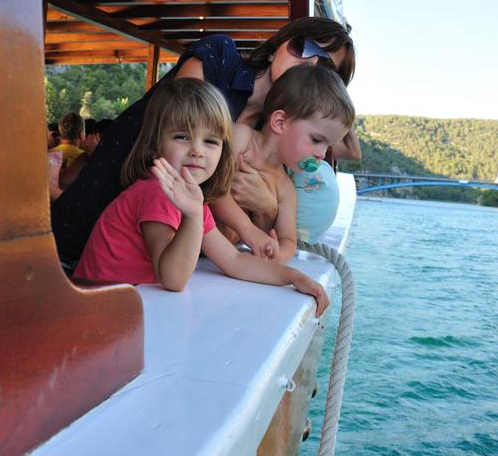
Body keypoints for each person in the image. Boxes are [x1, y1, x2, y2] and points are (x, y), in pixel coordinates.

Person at [52, 17, 357, 268]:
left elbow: (221, 228)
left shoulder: (277, 140)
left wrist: (266, 210)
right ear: (279, 43)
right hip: (79, 228)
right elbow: (181, 138)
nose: (310, 63)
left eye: (326, 68)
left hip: (144, 264)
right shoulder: (220, 60)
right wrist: (260, 208)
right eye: (304, 46)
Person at [72, 79, 328, 315]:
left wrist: (292, 277)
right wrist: (193, 215)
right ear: (155, 144)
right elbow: (173, 278)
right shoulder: (157, 192)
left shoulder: (193, 200)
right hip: (96, 312)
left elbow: (234, 260)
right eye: (182, 137)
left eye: (211, 141)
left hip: (122, 307)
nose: (197, 151)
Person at [211, 64, 354, 263]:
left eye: (328, 146)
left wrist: (277, 255)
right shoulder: (241, 138)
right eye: (316, 140)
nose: (321, 155)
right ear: (280, 123)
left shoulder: (285, 187)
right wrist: (249, 230)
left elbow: (288, 240)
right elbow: (212, 188)